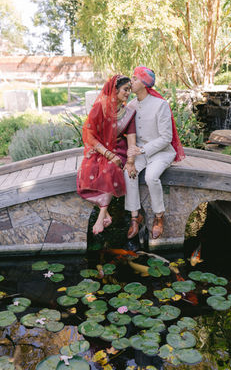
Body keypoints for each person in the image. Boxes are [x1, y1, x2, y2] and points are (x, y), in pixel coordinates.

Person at [124, 66, 185, 240]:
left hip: (161, 152)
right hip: (140, 153)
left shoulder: (161, 105)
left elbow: (166, 138)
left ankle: (159, 217)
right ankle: (135, 217)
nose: (131, 82)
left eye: (135, 78)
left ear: (144, 83)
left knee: (151, 177)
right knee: (128, 173)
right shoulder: (131, 105)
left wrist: (142, 149)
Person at [77, 75, 137, 235]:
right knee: (89, 171)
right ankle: (106, 213)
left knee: (111, 169)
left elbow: (131, 139)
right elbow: (89, 135)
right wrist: (108, 154)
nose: (128, 93)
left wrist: (130, 161)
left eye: (130, 90)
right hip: (101, 149)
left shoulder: (128, 113)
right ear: (115, 89)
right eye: (125, 89)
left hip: (120, 149)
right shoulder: (100, 108)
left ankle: (101, 217)